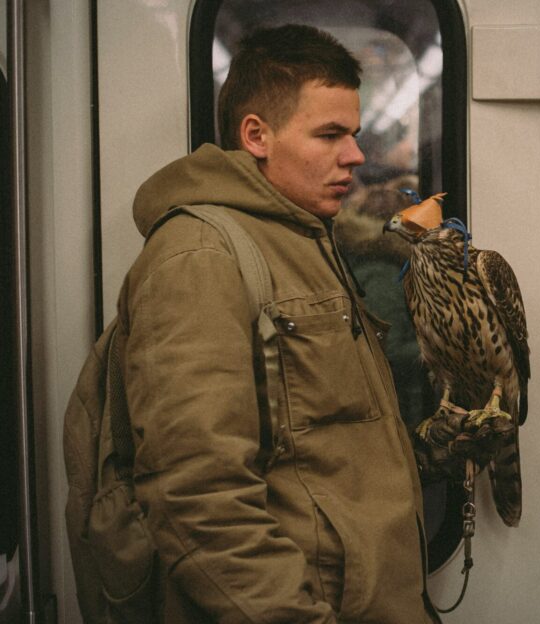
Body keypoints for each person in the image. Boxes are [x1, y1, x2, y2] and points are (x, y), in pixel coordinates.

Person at [120, 24, 436, 622]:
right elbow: (198, 497)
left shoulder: (307, 237)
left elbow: (320, 439)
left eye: (354, 134)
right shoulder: (201, 257)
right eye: (329, 135)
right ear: (256, 136)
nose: (356, 156)